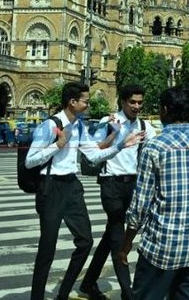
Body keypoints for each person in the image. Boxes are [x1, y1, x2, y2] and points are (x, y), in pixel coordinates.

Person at [121, 85, 189, 300]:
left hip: (161, 248)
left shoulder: (154, 147)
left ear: (165, 110)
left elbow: (140, 205)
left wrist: (126, 244)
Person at [25, 80, 124, 300]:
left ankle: (62, 294)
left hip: (71, 187)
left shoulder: (78, 125)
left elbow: (93, 154)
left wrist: (118, 142)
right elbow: (30, 161)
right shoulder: (50, 125)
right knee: (47, 250)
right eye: (85, 101)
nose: (87, 105)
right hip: (50, 187)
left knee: (85, 241)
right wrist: (57, 145)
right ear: (72, 102)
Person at [77, 84, 148, 300]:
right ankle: (129, 293)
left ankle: (88, 283)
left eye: (140, 102)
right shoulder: (108, 122)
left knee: (110, 236)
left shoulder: (144, 125)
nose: (136, 106)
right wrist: (114, 135)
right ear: (122, 102)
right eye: (132, 102)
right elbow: (95, 151)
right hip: (111, 185)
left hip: (133, 184)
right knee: (118, 237)